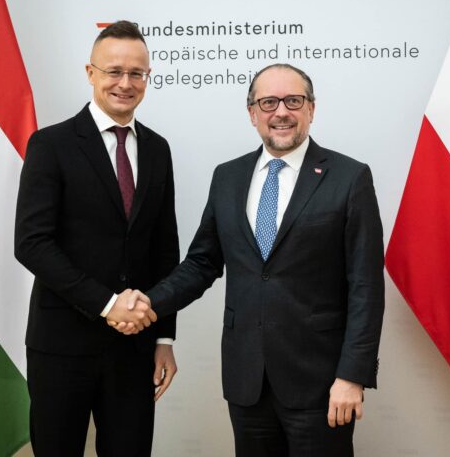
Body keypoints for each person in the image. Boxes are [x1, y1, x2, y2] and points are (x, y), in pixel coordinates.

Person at [116, 63, 385, 456]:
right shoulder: (228, 177)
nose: (281, 112)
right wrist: (149, 303)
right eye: (269, 102)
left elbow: (366, 287)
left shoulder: (349, 177)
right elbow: (202, 263)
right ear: (252, 113)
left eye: (294, 101)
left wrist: (352, 376)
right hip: (247, 381)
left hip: (321, 384)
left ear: (311, 109)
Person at [14, 20, 179, 457]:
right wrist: (107, 304)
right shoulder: (50, 145)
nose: (125, 83)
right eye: (114, 71)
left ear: (147, 77)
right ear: (91, 73)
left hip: (135, 348)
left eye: (136, 73)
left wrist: (163, 338)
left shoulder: (158, 149)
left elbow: (164, 248)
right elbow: (31, 243)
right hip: (61, 345)